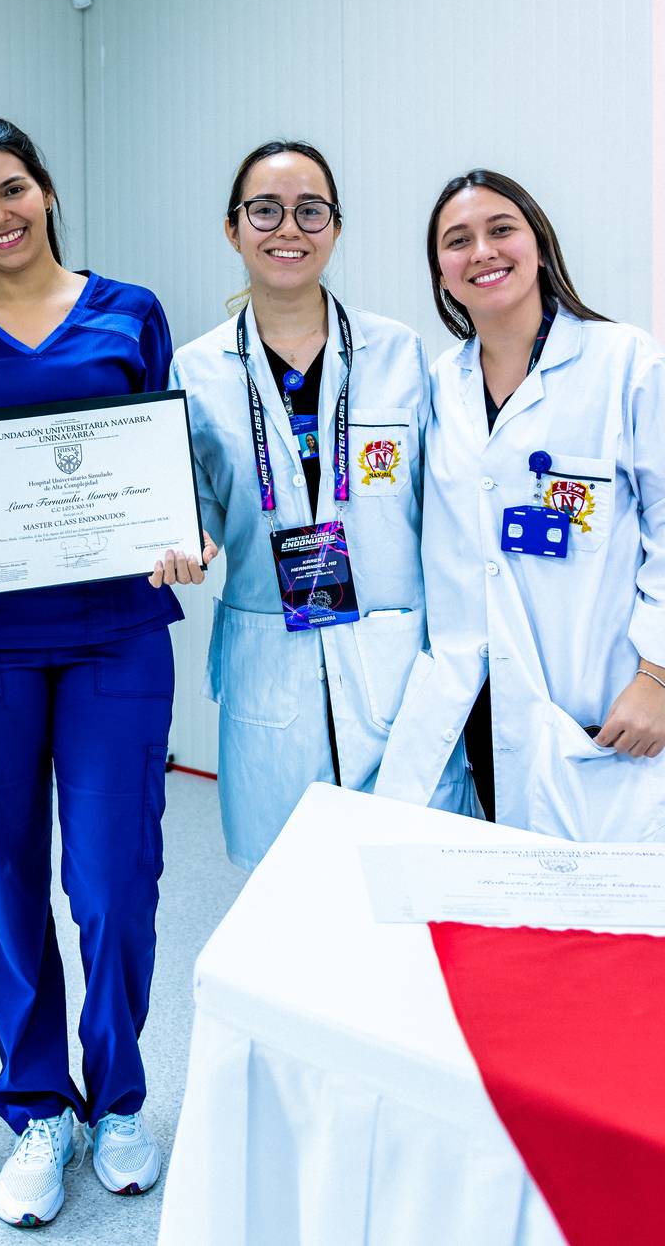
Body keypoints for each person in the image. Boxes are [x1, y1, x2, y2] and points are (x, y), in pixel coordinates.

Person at [0, 117, 203, 1228]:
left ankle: (116, 1100)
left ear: (48, 191)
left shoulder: (129, 312)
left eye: (11, 189)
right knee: (6, 878)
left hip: (116, 634)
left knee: (114, 881)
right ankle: (38, 1108)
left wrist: (181, 535)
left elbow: (160, 456)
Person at [375, 168, 665, 844]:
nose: (482, 251)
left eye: (501, 230)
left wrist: (659, 675)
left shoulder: (623, 362)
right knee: (487, 894)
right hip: (474, 708)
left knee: (611, 902)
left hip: (601, 704)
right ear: (441, 274)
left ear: (538, 245)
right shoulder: (439, 387)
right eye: (458, 240)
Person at [167, 140, 469, 871]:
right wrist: (186, 540)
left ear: (335, 227)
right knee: (289, 887)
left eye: (310, 210)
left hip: (391, 656)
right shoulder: (197, 369)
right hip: (270, 654)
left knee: (409, 881)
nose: (288, 229)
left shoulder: (398, 353)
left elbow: (444, 503)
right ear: (233, 228)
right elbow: (196, 503)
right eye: (265, 210)